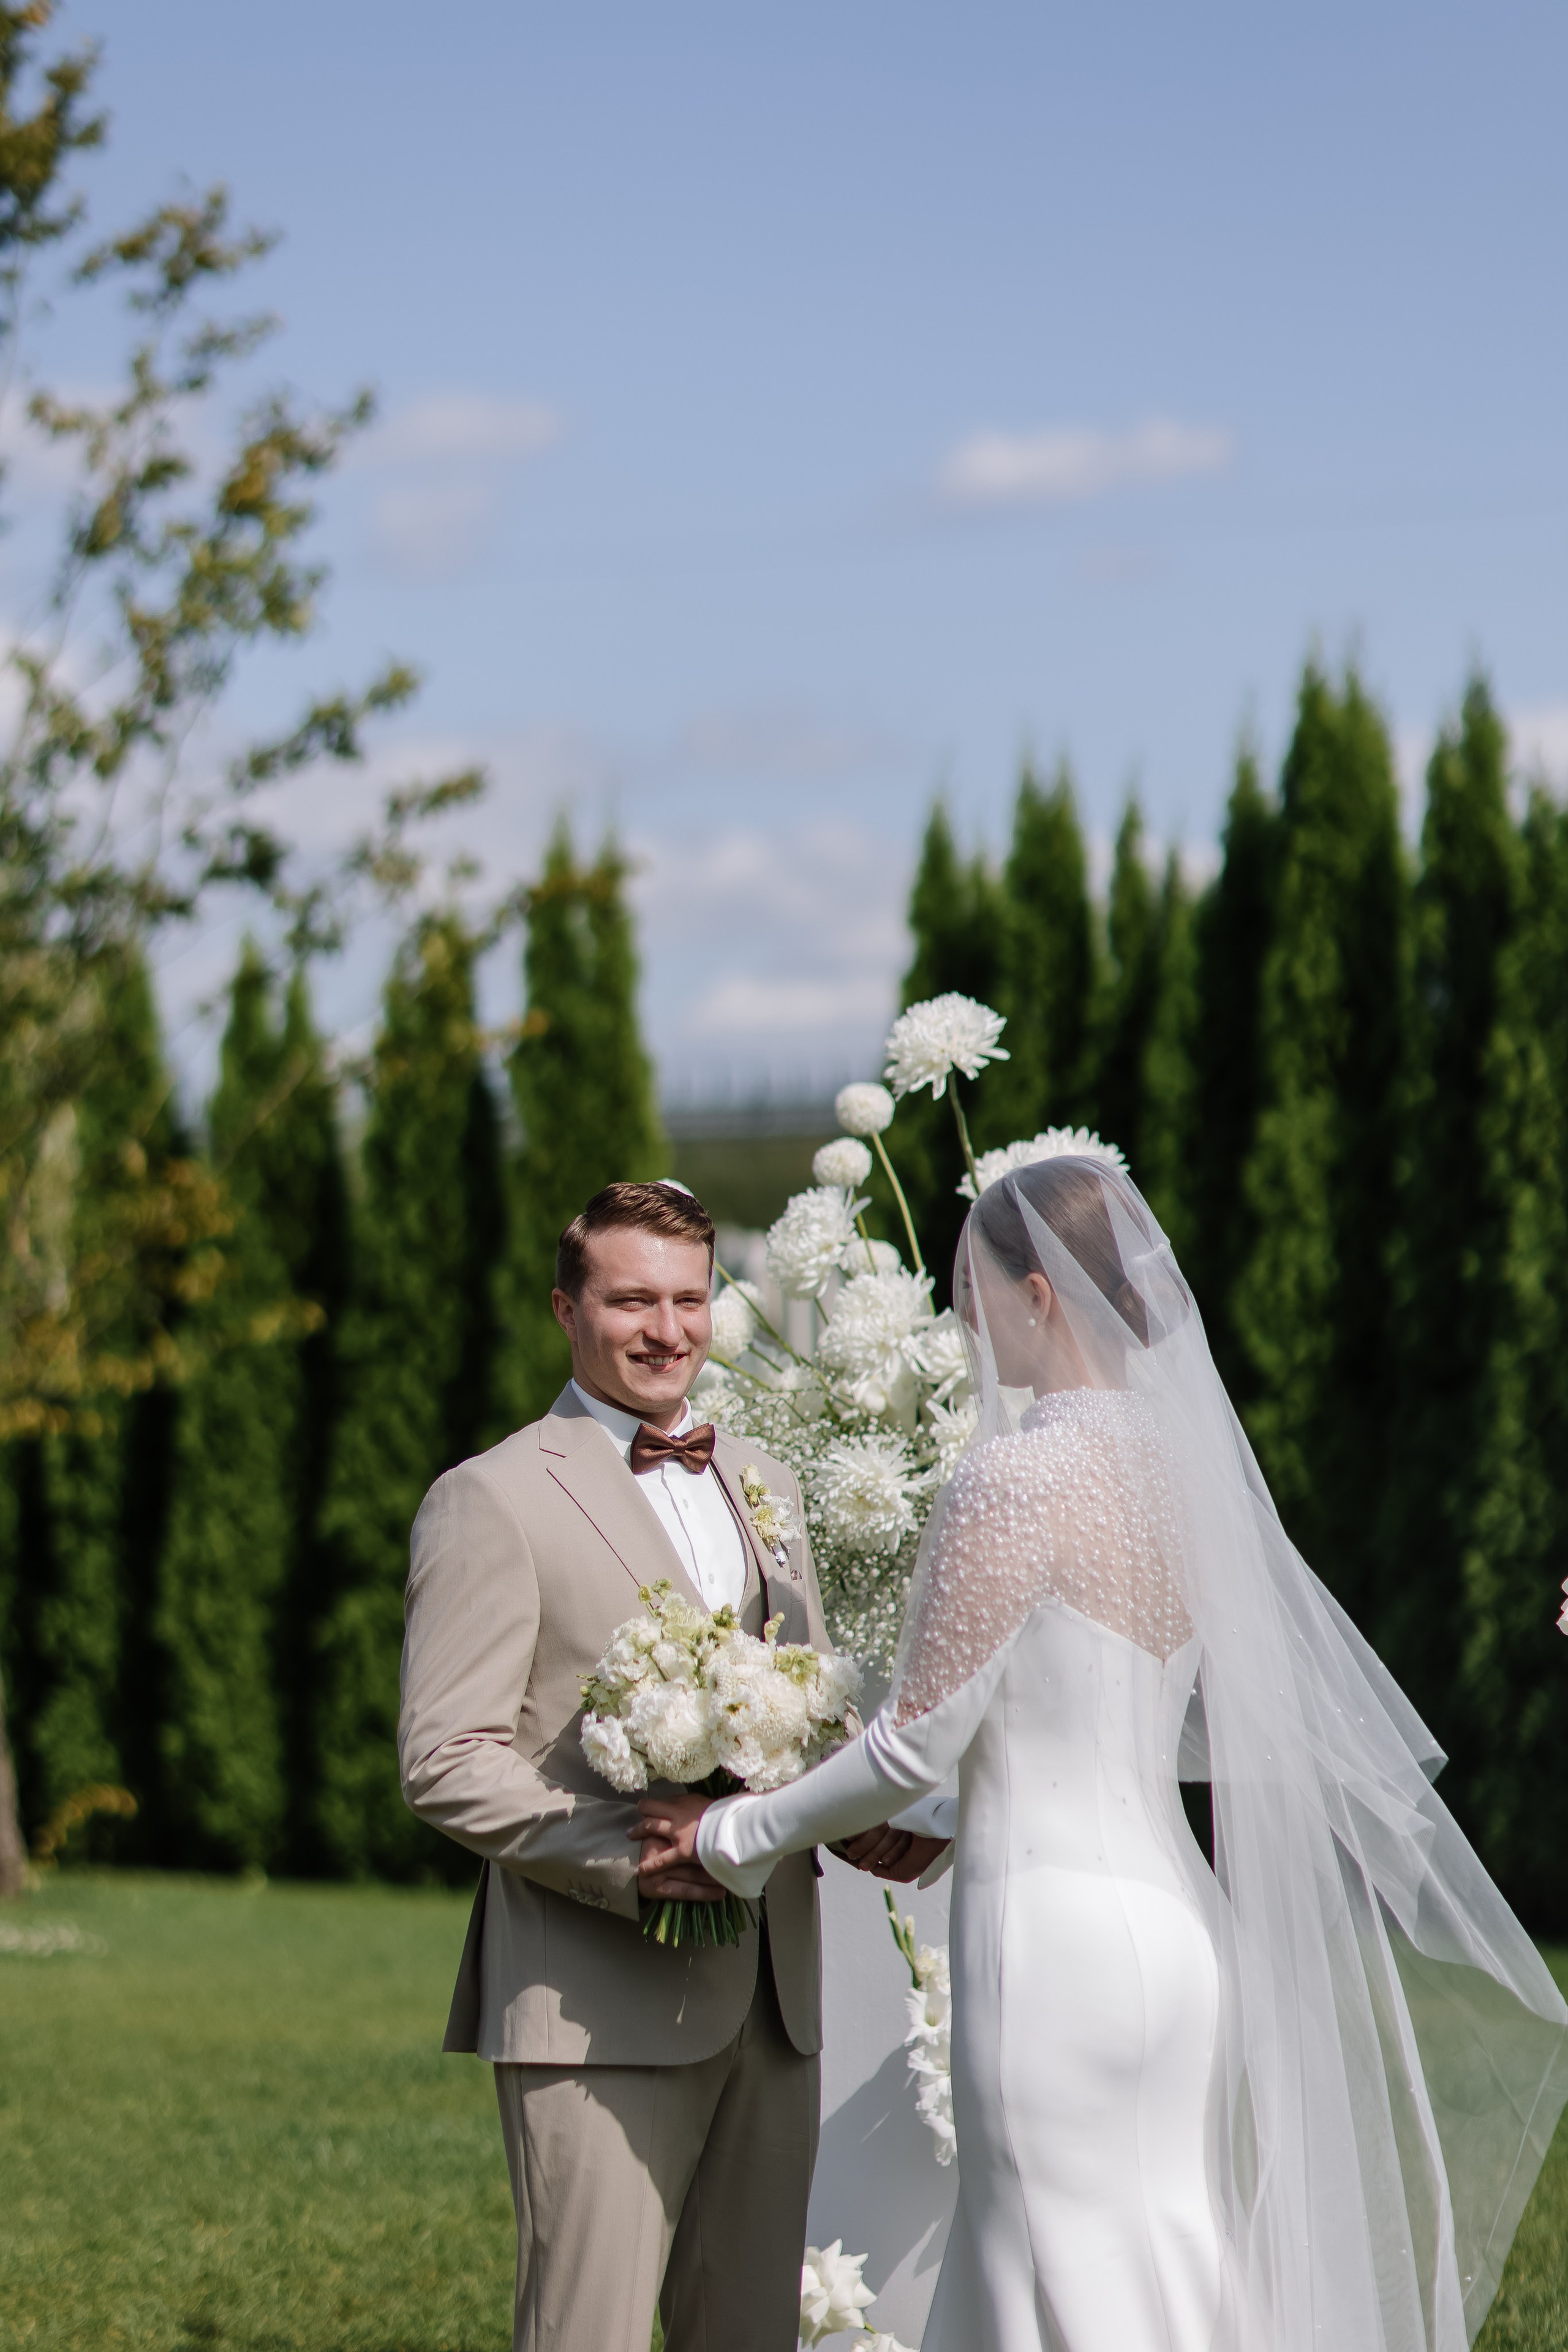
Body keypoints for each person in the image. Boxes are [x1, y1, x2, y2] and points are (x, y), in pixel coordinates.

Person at [638, 1155, 1568, 2352]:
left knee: (1046, 2267)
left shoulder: (1014, 1479)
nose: (963, 1324)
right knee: (1166, 2252)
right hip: (1182, 1940)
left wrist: (729, 1834)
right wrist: (937, 1822)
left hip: (1050, 1948)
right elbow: (1090, 1714)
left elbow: (917, 1744)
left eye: (971, 1294)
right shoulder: (1189, 1482)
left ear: (1038, 1296)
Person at [396, 1179, 941, 2352]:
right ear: (566, 1308)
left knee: (749, 2334)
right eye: (631, 1301)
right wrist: (631, 1855)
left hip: (774, 1996)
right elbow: (444, 1758)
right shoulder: (489, 1498)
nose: (667, 1329)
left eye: (689, 1301)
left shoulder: (766, 1481)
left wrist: (864, 1809)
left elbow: (796, 1707)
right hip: (597, 2001)